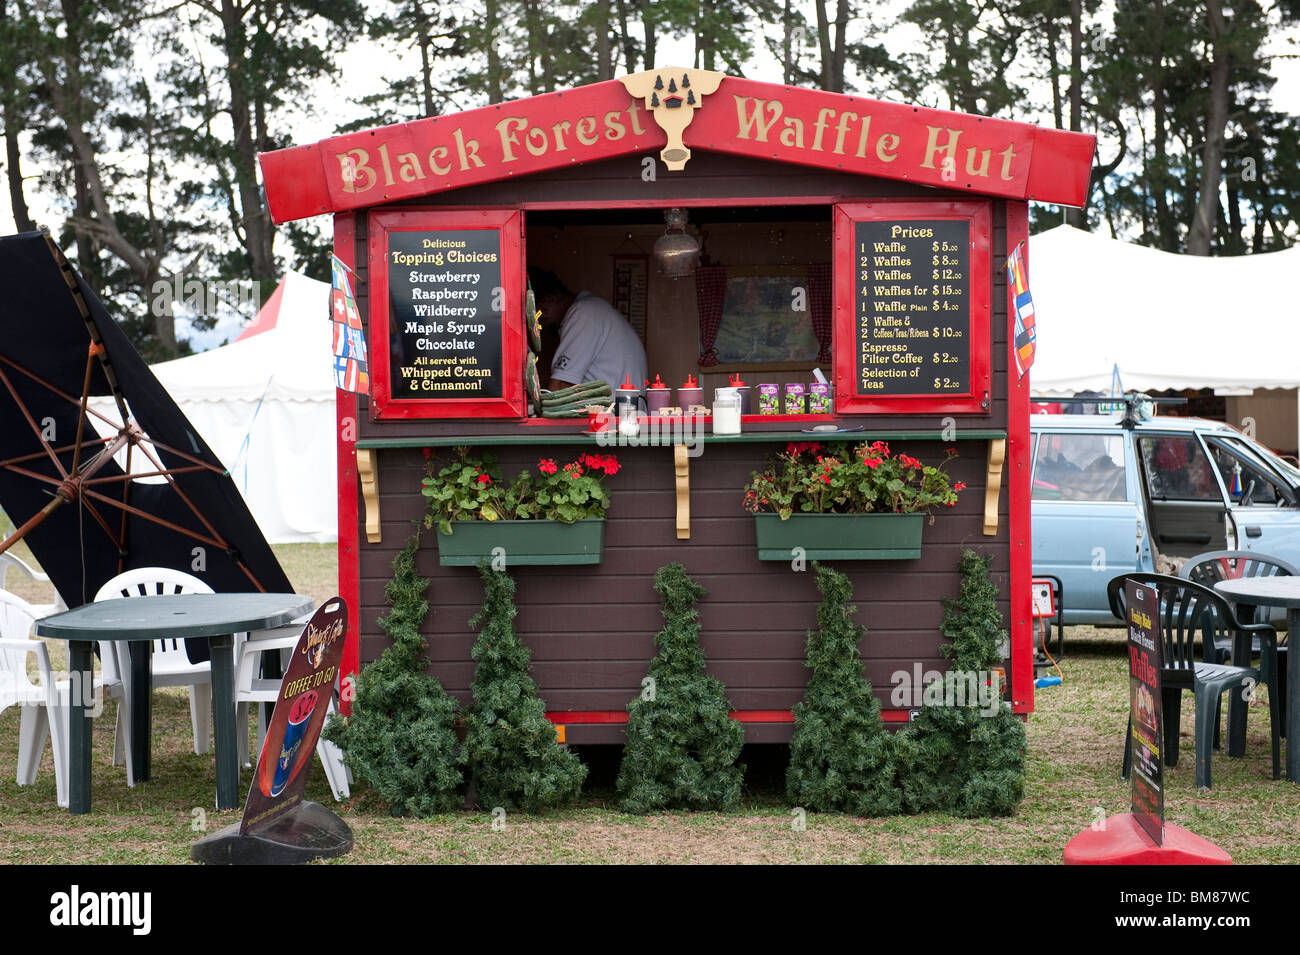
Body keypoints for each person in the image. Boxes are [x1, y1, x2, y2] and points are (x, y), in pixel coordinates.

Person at [528, 267, 646, 393]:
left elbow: (560, 389)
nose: (538, 321)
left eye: (537, 314)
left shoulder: (583, 313)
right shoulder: (590, 310)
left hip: (615, 410)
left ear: (545, 303)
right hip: (621, 407)